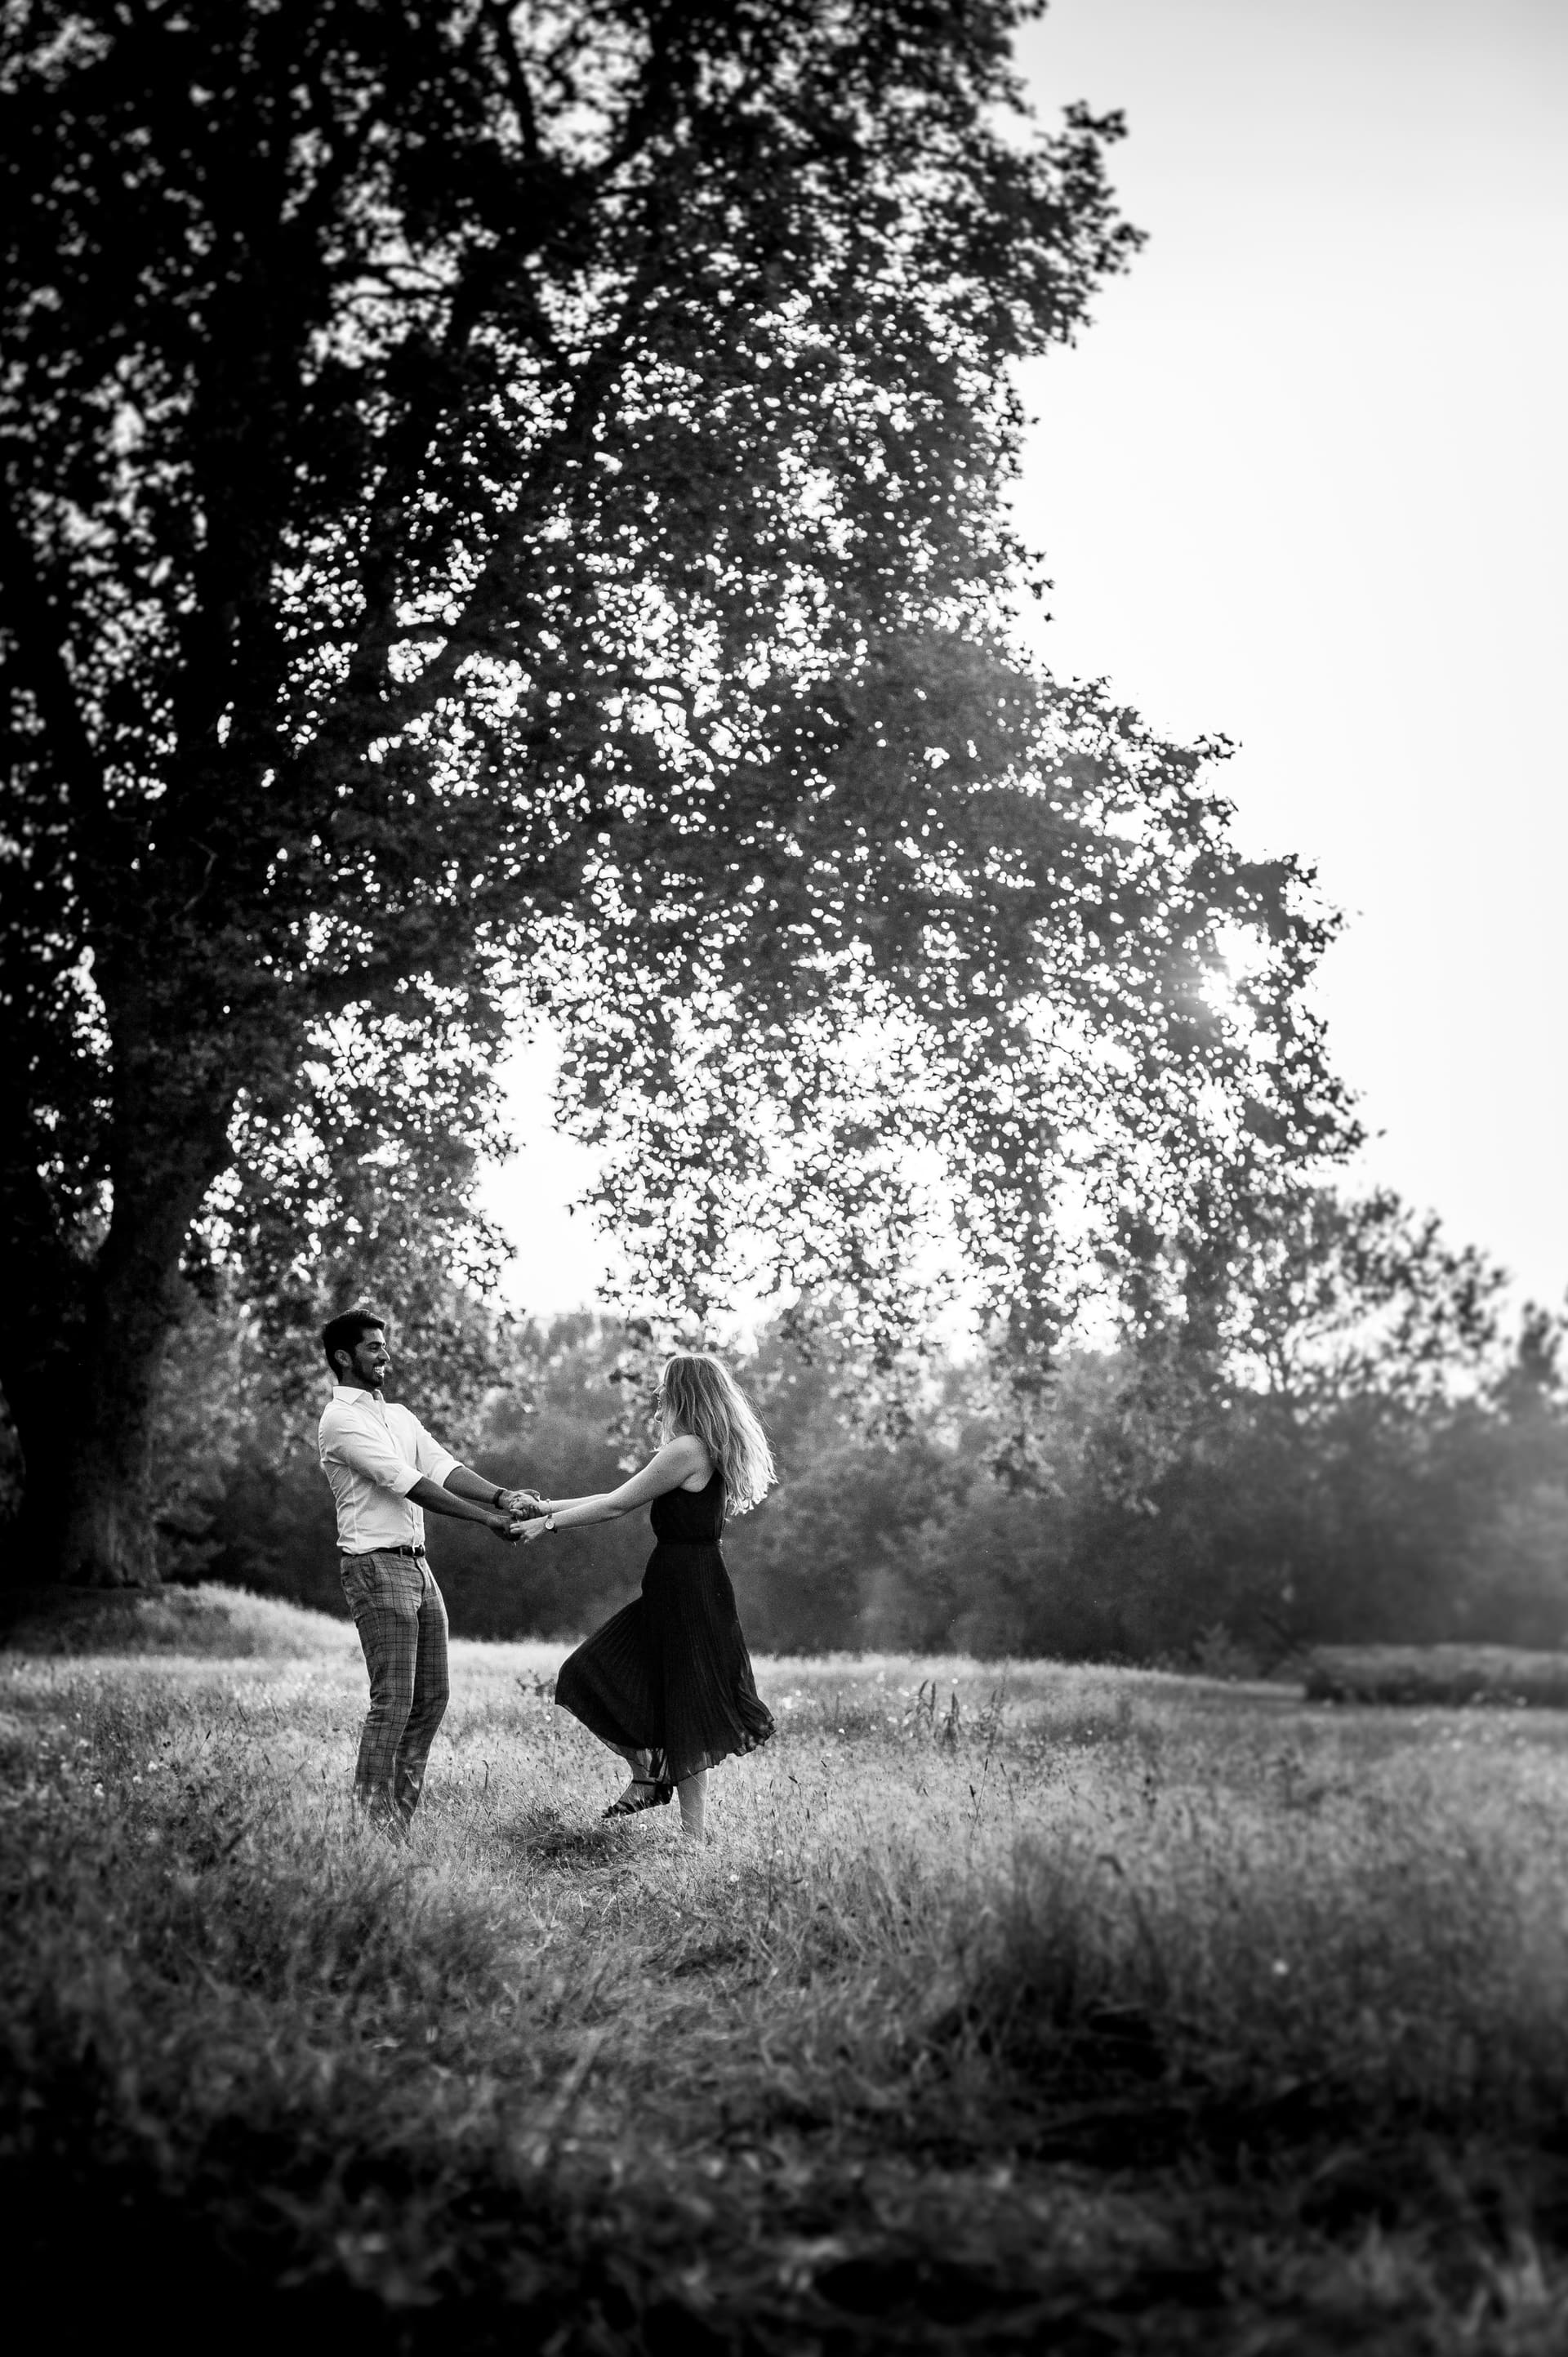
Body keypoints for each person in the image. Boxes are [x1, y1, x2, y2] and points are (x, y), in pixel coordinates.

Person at [521, 1351, 776, 1843]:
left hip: (686, 1587)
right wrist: (546, 1505)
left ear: (681, 1393)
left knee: (599, 1678)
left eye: (664, 1389)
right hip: (686, 1582)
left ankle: (671, 1807)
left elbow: (616, 1505)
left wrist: (546, 1523)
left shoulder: (685, 1450)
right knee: (677, 1700)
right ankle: (666, 1799)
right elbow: (621, 1493)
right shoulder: (700, 1449)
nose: (658, 1397)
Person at [318, 1308, 536, 1835]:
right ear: (344, 1357)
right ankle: (372, 1832)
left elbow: (442, 1466)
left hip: (418, 1568)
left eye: (383, 1345)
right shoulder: (340, 1420)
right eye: (373, 1347)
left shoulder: (400, 1417)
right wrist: (487, 1519)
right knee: (392, 1703)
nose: (385, 1355)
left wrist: (502, 1495)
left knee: (431, 1700)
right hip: (374, 1567)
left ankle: (397, 1829)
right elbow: (408, 1482)